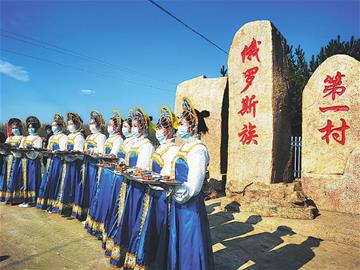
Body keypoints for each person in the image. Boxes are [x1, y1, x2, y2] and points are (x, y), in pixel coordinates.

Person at [124, 105, 179, 269]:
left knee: (155, 230)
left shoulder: (173, 149)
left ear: (168, 130)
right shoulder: (161, 147)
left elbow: (168, 174)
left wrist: (150, 176)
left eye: (161, 128)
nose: (158, 131)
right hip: (151, 190)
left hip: (161, 194)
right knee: (144, 227)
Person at [167, 97, 214, 270]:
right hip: (178, 201)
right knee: (179, 239)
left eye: (182, 123)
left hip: (190, 205)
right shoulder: (184, 147)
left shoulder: (199, 151)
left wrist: (174, 190)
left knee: (189, 240)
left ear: (193, 126)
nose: (179, 126)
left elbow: (193, 186)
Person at [110, 107, 155, 267]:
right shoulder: (135, 143)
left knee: (135, 219)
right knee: (125, 216)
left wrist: (128, 169)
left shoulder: (147, 145)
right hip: (128, 183)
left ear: (143, 127)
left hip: (138, 188)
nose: (134, 128)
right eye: (133, 125)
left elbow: (141, 169)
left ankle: (133, 253)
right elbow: (127, 162)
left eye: (136, 126)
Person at [72, 110, 106, 221]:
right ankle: (84, 212)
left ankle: (91, 214)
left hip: (94, 166)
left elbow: (101, 152)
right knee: (85, 187)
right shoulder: (88, 137)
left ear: (99, 124)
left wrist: (93, 151)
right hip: (86, 165)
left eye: (93, 123)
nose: (91, 125)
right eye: (90, 123)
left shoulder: (101, 136)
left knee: (93, 188)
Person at [52, 112, 84, 216]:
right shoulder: (69, 136)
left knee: (71, 185)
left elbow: (79, 152)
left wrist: (71, 153)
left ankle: (69, 208)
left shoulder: (79, 137)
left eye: (72, 124)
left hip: (74, 165)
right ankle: (61, 205)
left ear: (77, 125)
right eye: (68, 124)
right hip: (66, 162)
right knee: (64, 184)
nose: (70, 126)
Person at [36, 113, 67, 211]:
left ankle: (55, 204)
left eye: (55, 125)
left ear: (60, 126)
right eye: (52, 125)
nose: (53, 127)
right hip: (50, 161)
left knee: (55, 181)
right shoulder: (52, 137)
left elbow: (63, 150)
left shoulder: (63, 137)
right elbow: (48, 148)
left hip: (58, 162)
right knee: (48, 181)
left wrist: (55, 152)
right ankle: (46, 202)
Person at [18, 116, 43, 207]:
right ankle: (24, 199)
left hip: (33, 161)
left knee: (32, 179)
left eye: (32, 127)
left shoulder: (37, 138)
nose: (30, 129)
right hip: (24, 161)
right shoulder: (24, 138)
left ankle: (32, 200)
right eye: (29, 127)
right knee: (24, 180)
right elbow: (20, 147)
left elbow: (36, 152)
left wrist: (29, 151)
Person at [0, 118, 24, 203]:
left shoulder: (22, 138)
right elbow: (4, 149)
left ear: (20, 128)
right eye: (13, 128)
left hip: (17, 160)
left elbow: (22, 150)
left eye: (16, 128)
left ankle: (14, 197)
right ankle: (5, 196)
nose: (15, 130)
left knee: (14, 176)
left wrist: (16, 150)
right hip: (7, 159)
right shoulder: (9, 138)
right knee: (6, 177)